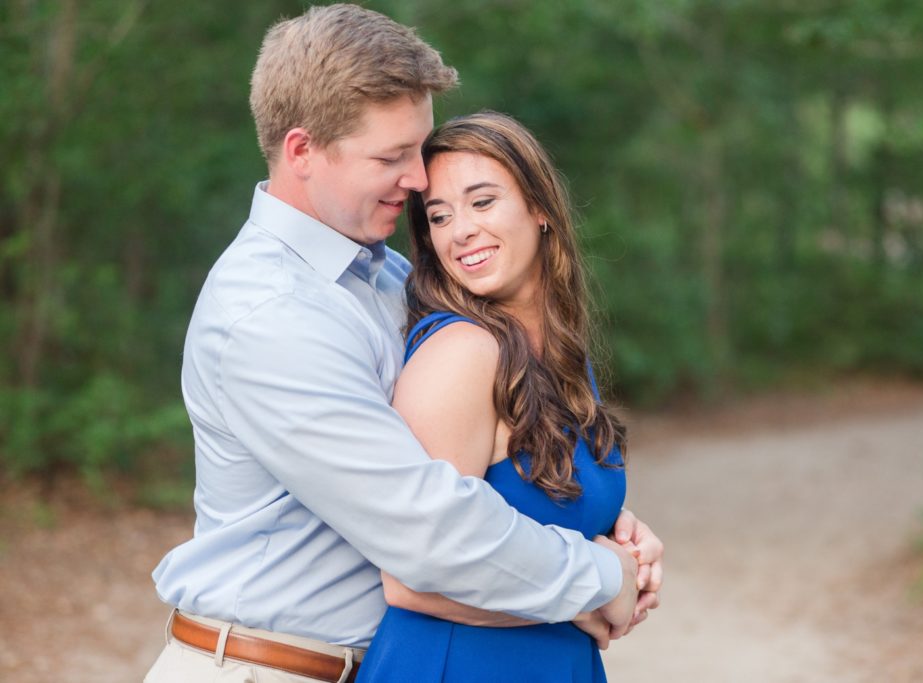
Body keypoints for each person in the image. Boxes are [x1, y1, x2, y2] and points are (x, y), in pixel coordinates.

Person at [145, 5, 662, 683]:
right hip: (264, 668)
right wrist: (600, 575)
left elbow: (500, 454)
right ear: (302, 151)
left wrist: (609, 523)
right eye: (393, 156)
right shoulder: (268, 313)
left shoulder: (390, 277)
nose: (421, 180)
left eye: (418, 149)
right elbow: (428, 528)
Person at [356, 111, 636, 682]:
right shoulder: (462, 353)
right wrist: (594, 592)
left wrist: (626, 546)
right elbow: (410, 578)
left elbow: (540, 505)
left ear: (540, 209)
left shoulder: (561, 357)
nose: (460, 231)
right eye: (439, 215)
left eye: (482, 202)